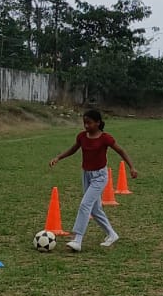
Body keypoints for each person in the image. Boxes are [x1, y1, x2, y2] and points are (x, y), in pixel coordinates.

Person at [49, 108, 138, 251]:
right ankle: (112, 234)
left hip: (100, 177)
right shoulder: (82, 137)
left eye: (89, 123)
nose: (86, 126)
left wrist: (132, 167)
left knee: (85, 205)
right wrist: (58, 157)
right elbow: (73, 149)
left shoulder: (105, 138)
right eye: (84, 123)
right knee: (95, 209)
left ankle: (77, 239)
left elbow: (121, 151)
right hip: (86, 174)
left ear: (98, 123)